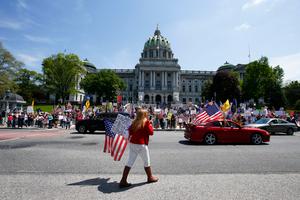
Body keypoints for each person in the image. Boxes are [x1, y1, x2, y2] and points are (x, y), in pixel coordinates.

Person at [119, 109, 159, 188]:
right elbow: (151, 133)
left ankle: (123, 180)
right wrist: (150, 124)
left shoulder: (133, 122)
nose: (147, 115)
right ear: (144, 115)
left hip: (133, 143)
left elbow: (130, 132)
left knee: (129, 162)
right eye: (146, 114)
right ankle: (150, 177)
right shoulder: (146, 122)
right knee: (147, 162)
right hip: (141, 144)